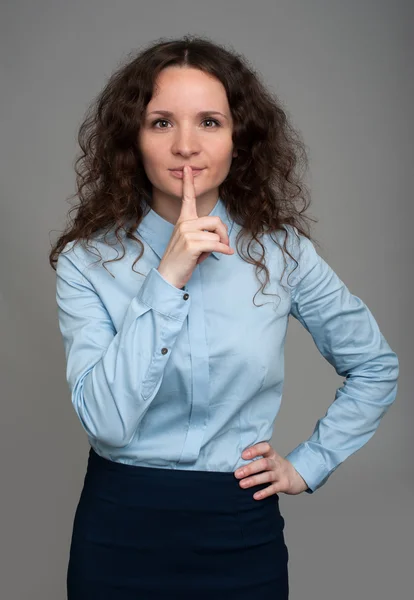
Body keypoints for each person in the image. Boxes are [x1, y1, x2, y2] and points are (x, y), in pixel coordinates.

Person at [49, 35, 399, 599]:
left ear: (240, 139)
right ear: (132, 139)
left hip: (240, 530)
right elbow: (107, 423)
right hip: (120, 527)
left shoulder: (282, 254)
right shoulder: (86, 262)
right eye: (161, 122)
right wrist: (169, 274)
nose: (186, 145)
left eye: (209, 121)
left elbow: (375, 367)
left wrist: (308, 465)